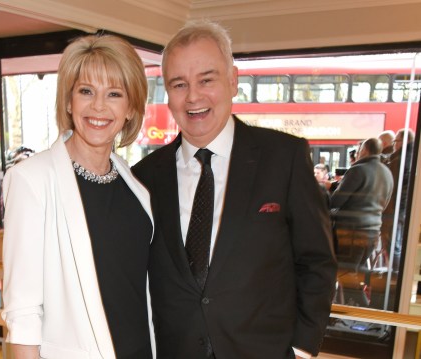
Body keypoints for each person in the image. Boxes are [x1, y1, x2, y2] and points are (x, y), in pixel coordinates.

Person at [132, 20, 337, 359]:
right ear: (168, 94)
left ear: (233, 80)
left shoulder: (283, 158)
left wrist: (302, 347)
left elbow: (316, 262)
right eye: (179, 84)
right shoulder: (143, 178)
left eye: (206, 79)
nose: (193, 96)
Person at [2, 34, 153, 359]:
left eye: (114, 94)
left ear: (130, 109)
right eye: (86, 91)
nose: (99, 106)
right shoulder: (31, 179)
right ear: (69, 102)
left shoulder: (133, 184)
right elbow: (23, 311)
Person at [330, 138, 393, 305]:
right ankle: (344, 309)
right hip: (372, 231)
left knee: (345, 273)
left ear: (364, 151)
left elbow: (336, 201)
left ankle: (365, 310)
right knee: (354, 270)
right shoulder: (387, 172)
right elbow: (385, 203)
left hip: (351, 231)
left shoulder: (358, 170)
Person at [381, 128, 415, 271]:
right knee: (397, 244)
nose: (394, 144)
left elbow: (390, 186)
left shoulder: (399, 159)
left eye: (396, 141)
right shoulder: (412, 156)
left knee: (393, 246)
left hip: (394, 208)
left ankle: (394, 276)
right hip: (402, 208)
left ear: (404, 141)